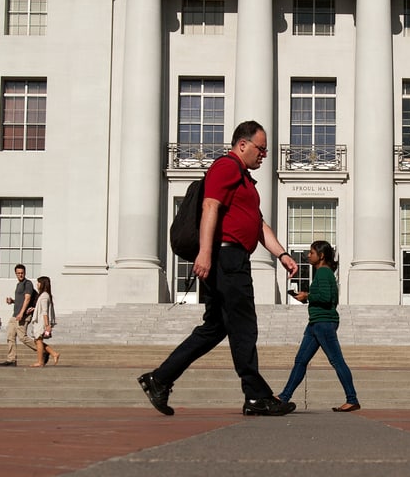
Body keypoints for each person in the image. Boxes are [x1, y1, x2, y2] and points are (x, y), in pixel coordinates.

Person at [138, 120, 300, 416]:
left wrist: (282, 254)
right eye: (261, 149)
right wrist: (205, 253)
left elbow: (259, 225)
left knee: (215, 328)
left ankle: (160, 378)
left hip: (231, 258)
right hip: (227, 259)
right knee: (244, 327)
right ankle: (255, 396)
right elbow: (210, 206)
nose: (264, 155)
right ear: (242, 145)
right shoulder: (226, 167)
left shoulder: (246, 181)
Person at [278, 240, 360, 412]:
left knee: (337, 361)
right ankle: (284, 397)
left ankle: (352, 399)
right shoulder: (324, 273)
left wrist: (307, 296)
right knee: (300, 361)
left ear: (321, 256)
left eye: (311, 252)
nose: (308, 255)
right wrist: (307, 296)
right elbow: (325, 296)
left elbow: (326, 297)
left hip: (324, 323)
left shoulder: (323, 273)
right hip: (316, 322)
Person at [0, 264, 39, 366]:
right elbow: (21, 301)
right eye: (18, 273)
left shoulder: (27, 284)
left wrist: (21, 313)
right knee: (10, 336)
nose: (20, 275)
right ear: (15, 274)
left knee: (22, 337)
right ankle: (11, 359)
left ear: (25, 273)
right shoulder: (18, 285)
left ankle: (42, 350)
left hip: (22, 315)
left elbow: (27, 299)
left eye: (22, 273)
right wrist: (12, 301)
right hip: (15, 315)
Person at [28, 276, 60, 367]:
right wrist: (34, 309)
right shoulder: (44, 296)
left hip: (41, 322)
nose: (37, 285)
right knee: (38, 340)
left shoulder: (44, 296)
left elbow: (45, 312)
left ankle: (40, 361)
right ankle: (54, 354)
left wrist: (47, 325)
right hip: (41, 321)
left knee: (38, 340)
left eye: (38, 283)